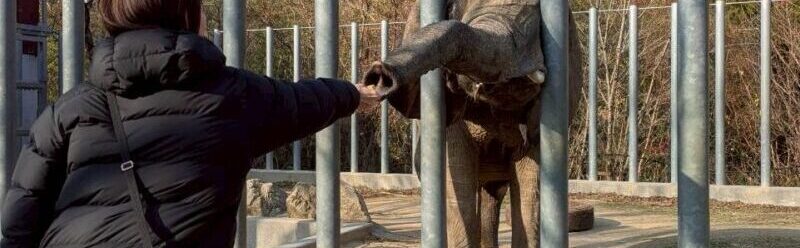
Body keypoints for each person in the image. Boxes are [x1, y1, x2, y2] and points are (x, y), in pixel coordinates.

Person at [1, 0, 366, 247]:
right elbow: (305, 101)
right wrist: (354, 93)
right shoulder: (235, 96)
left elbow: (18, 224)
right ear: (188, 16)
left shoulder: (65, 111)